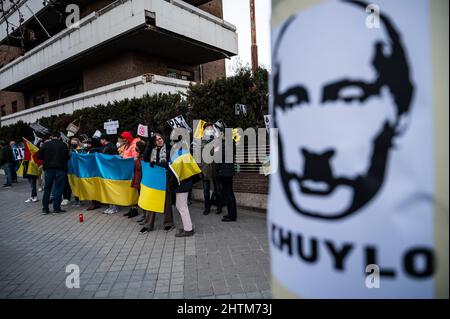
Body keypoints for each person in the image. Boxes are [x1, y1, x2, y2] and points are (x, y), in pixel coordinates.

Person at [140, 133, 175, 233]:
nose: (159, 140)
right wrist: (149, 145)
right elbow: (145, 158)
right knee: (151, 201)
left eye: (160, 138)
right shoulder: (152, 149)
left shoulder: (169, 148)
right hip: (153, 179)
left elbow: (172, 162)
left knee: (166, 202)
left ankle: (168, 223)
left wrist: (159, 164)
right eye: (156, 140)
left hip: (165, 178)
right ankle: (148, 225)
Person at [35, 132, 70, 214]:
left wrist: (46, 157)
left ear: (52, 136)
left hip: (48, 170)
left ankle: (45, 209)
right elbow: (67, 157)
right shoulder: (63, 145)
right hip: (60, 169)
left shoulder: (46, 145)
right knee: (59, 189)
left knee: (47, 189)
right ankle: (56, 208)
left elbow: (38, 156)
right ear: (59, 137)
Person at [169, 133, 196, 237]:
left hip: (182, 183)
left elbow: (175, 172)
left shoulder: (179, 153)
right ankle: (187, 227)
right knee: (180, 205)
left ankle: (188, 230)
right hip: (185, 182)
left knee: (182, 206)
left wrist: (171, 185)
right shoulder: (184, 151)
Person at [199, 122, 222, 215]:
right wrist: (200, 168)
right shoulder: (201, 141)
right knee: (205, 190)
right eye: (207, 128)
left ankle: (219, 206)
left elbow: (219, 154)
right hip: (205, 169)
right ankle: (207, 207)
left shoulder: (217, 140)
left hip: (215, 168)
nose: (209, 130)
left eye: (211, 128)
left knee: (218, 189)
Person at [215, 132, 237, 222]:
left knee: (228, 194)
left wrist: (217, 149)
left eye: (221, 135)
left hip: (225, 172)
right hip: (228, 171)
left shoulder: (225, 144)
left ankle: (232, 216)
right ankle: (232, 214)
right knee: (230, 193)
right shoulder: (231, 143)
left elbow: (220, 157)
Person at [98, 134, 120, 215]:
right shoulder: (104, 147)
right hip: (105, 170)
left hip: (111, 170)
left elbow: (116, 156)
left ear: (104, 139)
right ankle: (110, 206)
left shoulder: (111, 146)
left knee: (112, 188)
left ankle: (115, 207)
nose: (100, 141)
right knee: (107, 188)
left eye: (101, 139)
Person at [130, 140, 145, 220]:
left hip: (142, 180)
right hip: (139, 179)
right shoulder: (139, 156)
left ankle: (145, 216)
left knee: (144, 198)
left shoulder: (143, 157)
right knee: (141, 197)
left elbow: (139, 167)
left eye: (136, 147)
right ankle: (144, 214)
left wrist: (135, 161)